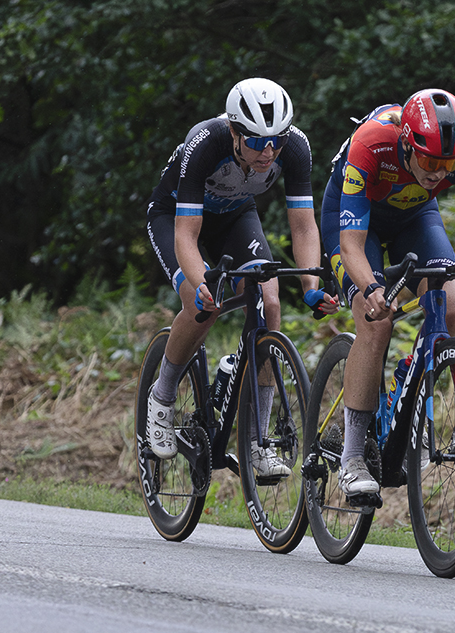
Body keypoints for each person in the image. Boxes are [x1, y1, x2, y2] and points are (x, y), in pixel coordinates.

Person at [319, 88, 455, 497]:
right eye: (430, 160)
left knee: (450, 305)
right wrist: (372, 287)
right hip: (355, 224)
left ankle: (408, 385)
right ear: (406, 142)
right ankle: (352, 457)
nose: (437, 172)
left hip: (415, 217)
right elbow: (351, 245)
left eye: (446, 164)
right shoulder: (372, 143)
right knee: (375, 322)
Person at [144, 77, 339, 476]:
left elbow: (303, 227)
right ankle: (161, 398)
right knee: (202, 306)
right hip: (177, 216)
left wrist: (311, 288)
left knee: (268, 305)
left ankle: (257, 442)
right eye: (255, 141)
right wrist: (202, 286)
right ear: (233, 131)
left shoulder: (296, 147)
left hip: (235, 215)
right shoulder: (205, 142)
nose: (268, 152)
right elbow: (187, 234)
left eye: (276, 141)